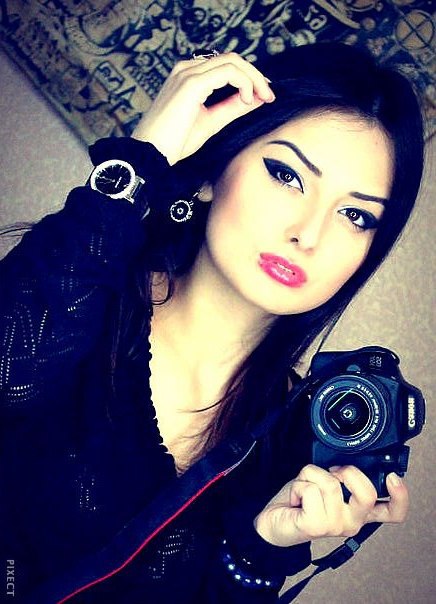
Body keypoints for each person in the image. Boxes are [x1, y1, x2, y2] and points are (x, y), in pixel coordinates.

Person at [0, 42, 424, 603]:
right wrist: (140, 162)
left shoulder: (297, 438)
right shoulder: (78, 293)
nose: (309, 233)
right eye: (287, 175)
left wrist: (261, 550)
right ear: (211, 172)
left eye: (355, 215)